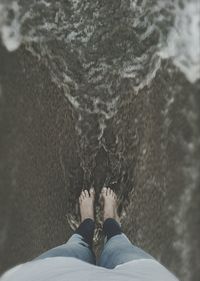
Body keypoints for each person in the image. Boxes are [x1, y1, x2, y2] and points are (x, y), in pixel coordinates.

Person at [0, 187, 179, 281]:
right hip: (142, 276)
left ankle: (88, 220)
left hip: (50, 274)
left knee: (77, 246)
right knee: (118, 246)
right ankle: (110, 219)